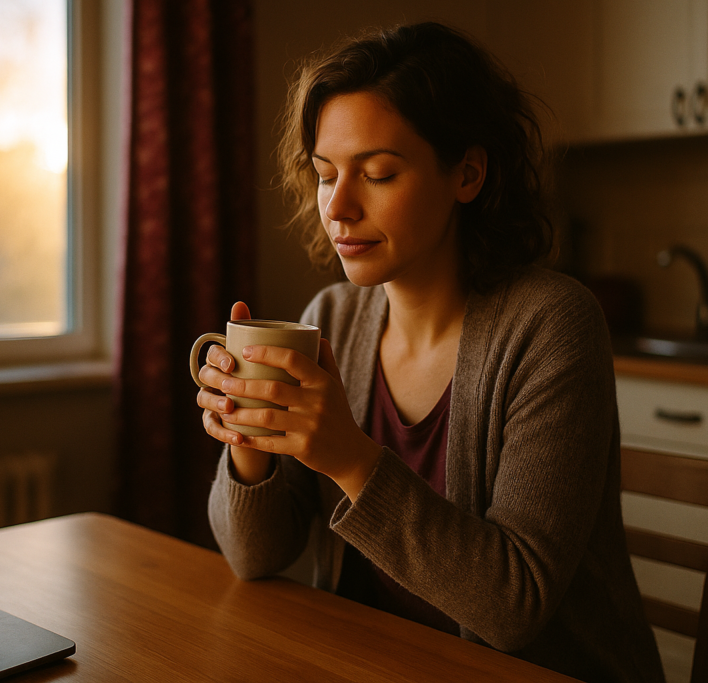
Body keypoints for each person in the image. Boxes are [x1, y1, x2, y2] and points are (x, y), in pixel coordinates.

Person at [195, 21, 664, 682]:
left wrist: (349, 457)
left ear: (467, 173)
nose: (339, 207)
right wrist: (249, 439)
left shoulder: (552, 326)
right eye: (326, 175)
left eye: (379, 173)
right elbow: (254, 556)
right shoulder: (329, 319)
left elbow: (512, 607)